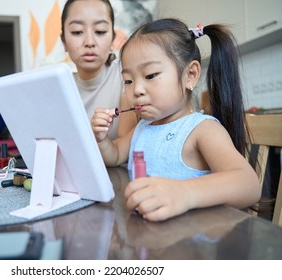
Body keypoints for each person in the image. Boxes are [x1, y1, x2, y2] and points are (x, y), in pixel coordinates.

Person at [91, 18, 261, 222]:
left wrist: (185, 193)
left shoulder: (201, 130)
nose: (136, 90)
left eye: (150, 75)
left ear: (190, 75)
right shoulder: (144, 127)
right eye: (128, 80)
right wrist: (102, 140)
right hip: (151, 238)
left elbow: (248, 184)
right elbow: (115, 155)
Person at [60, 0, 137, 140]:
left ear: (113, 38)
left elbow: (125, 151)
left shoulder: (128, 76)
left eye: (100, 31)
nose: (89, 42)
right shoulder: (59, 88)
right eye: (77, 32)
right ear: (64, 40)